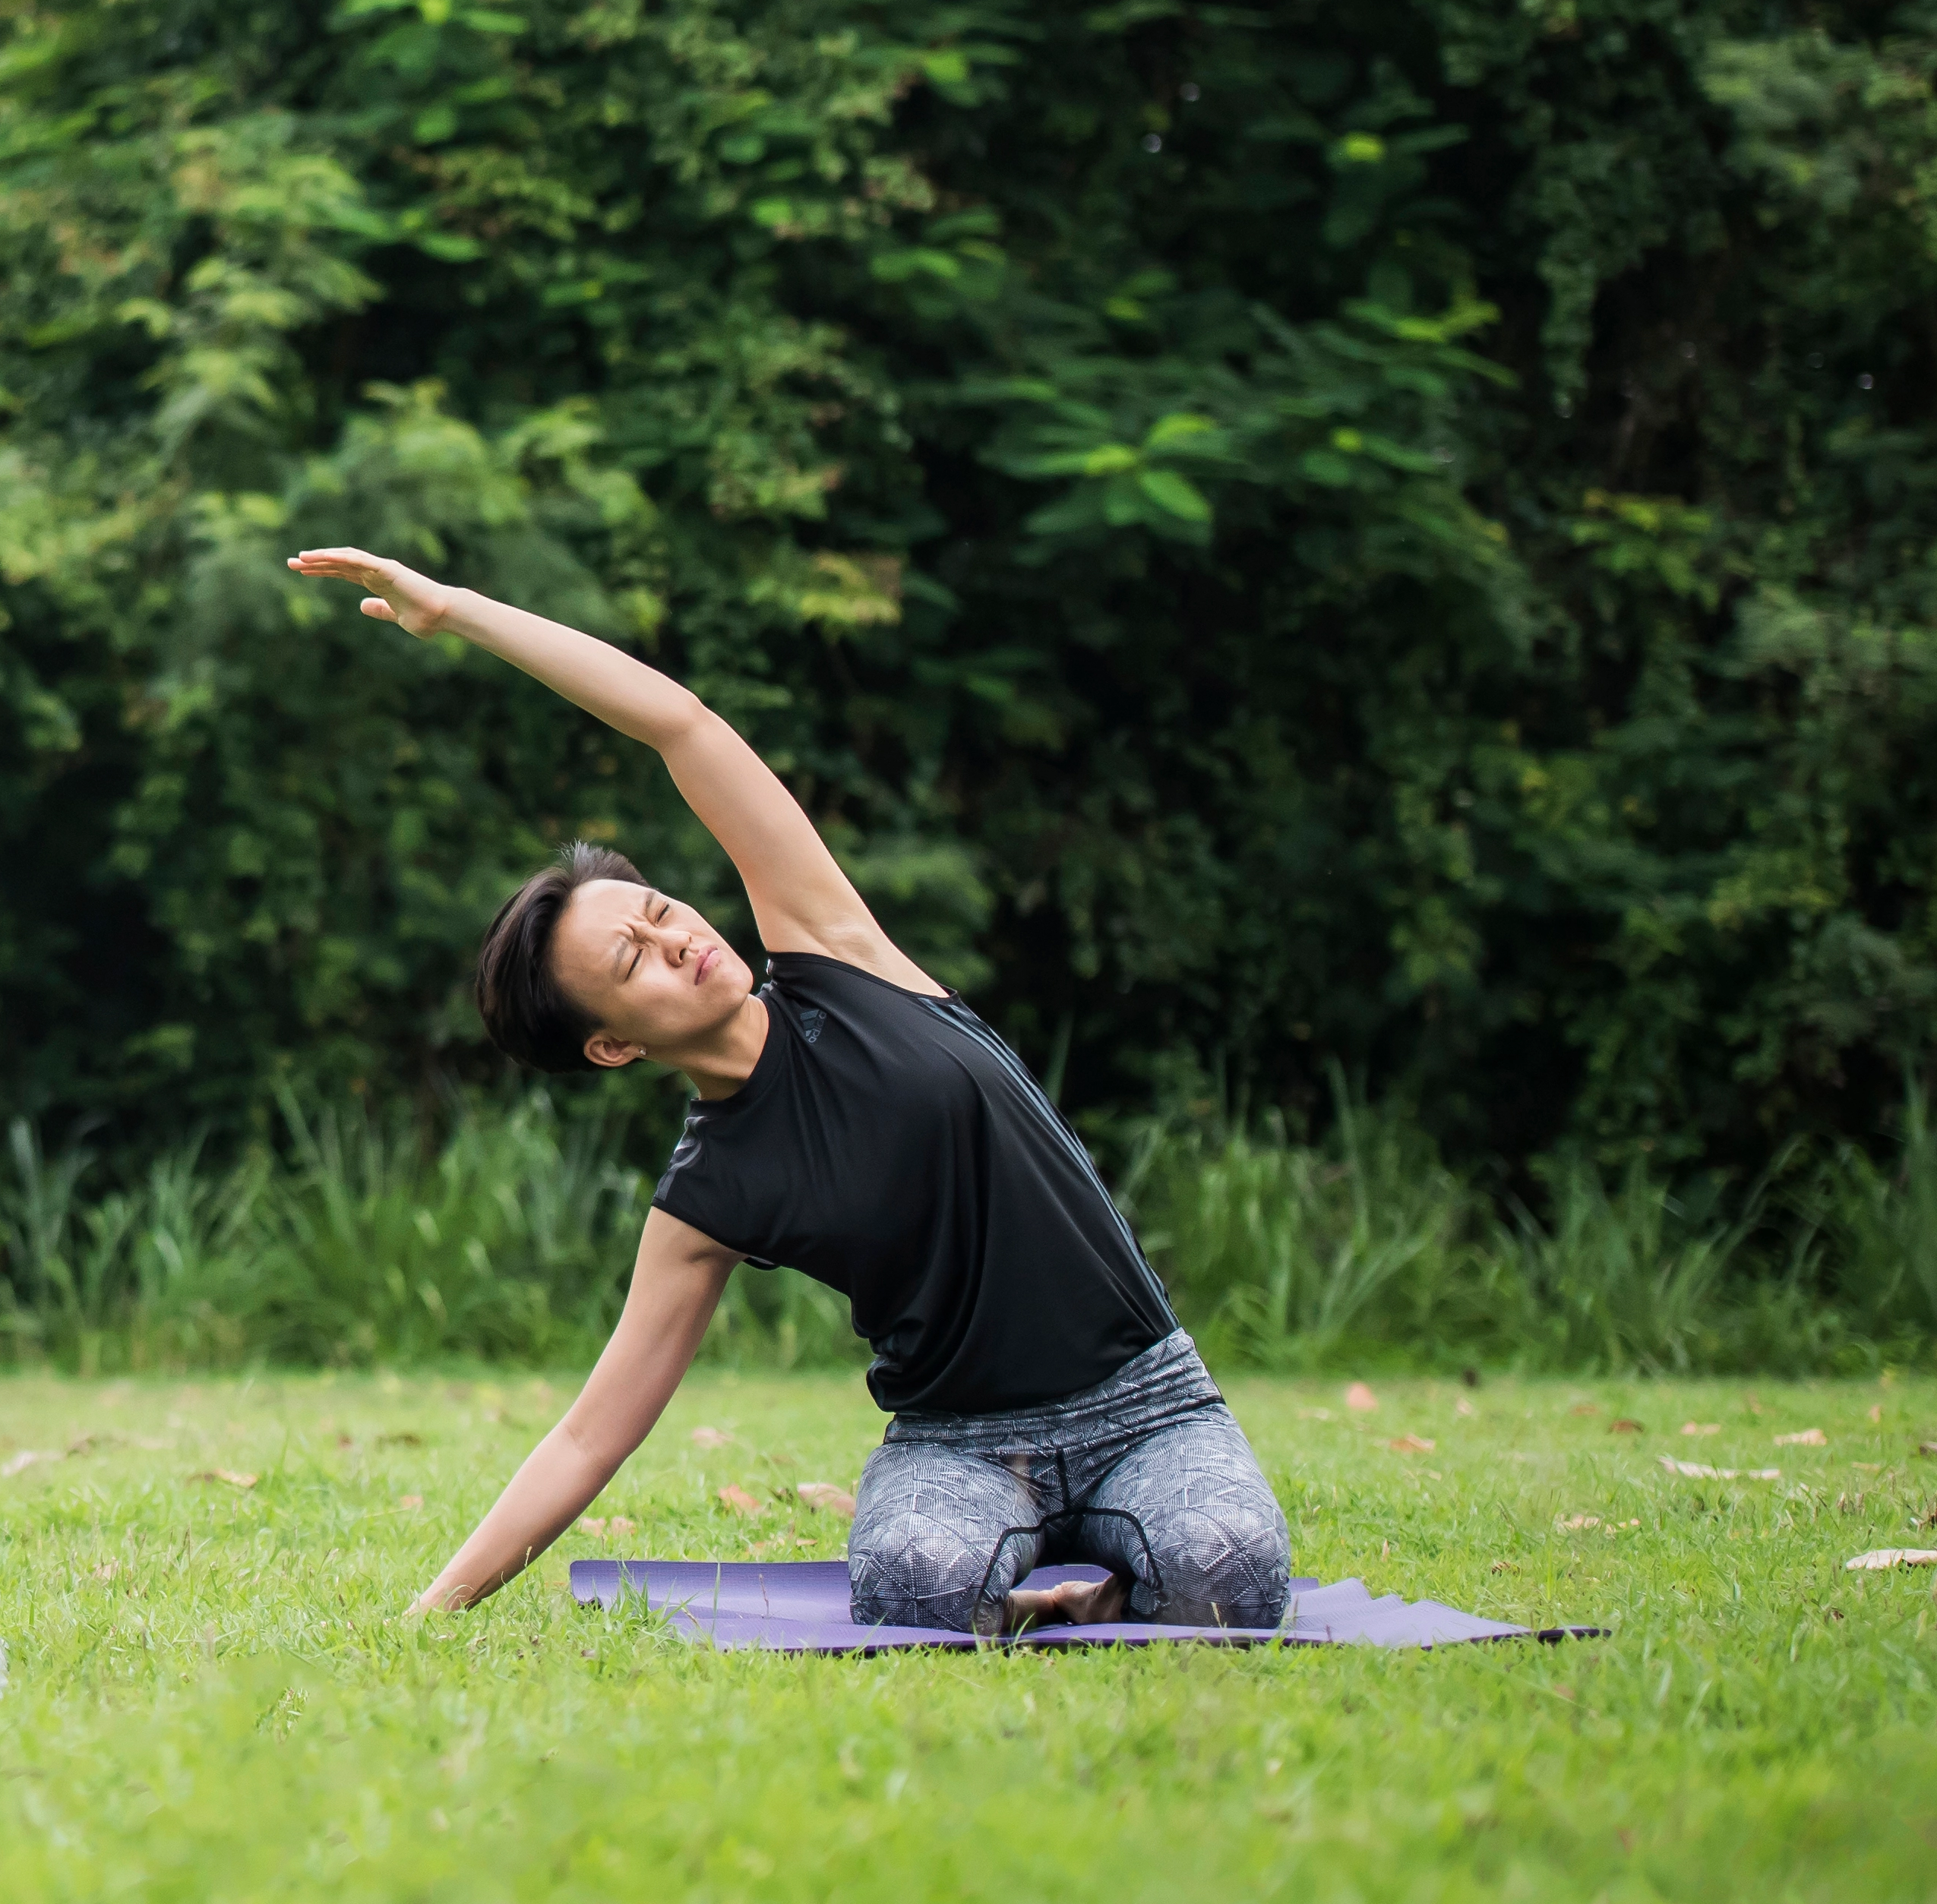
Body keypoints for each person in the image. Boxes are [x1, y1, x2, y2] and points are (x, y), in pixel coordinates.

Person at [284, 545, 1291, 1637]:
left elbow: (681, 726)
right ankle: (1057, 1567)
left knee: (1227, 1570)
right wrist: (431, 1609)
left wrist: (459, 612)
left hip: (1146, 1404)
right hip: (960, 1442)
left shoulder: (835, 951)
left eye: (659, 913)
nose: (677, 944)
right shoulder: (711, 1192)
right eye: (633, 967)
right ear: (614, 1048)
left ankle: (1091, 1562)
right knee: (912, 1586)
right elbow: (592, 1433)